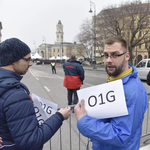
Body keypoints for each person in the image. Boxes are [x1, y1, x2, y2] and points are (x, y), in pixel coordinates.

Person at [74, 36, 148, 150]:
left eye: (115, 55)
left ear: (127, 56)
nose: (108, 60)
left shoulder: (133, 90)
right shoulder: (115, 81)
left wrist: (84, 121)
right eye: (106, 55)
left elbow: (121, 136)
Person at [0, 38, 71, 150]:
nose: (31, 63)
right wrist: (59, 116)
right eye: (27, 60)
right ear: (13, 60)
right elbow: (31, 142)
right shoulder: (15, 95)